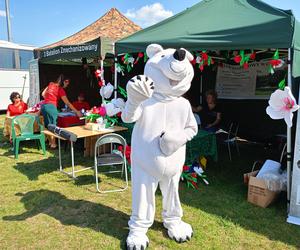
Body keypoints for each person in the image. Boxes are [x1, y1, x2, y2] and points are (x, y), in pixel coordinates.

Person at [41, 74, 82, 148]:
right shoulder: (60, 89)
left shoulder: (51, 84)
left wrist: (49, 98)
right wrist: (77, 111)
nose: (67, 84)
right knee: (53, 126)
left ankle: (50, 142)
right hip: (51, 107)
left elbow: (43, 94)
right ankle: (53, 144)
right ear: (64, 81)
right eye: (66, 82)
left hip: (44, 106)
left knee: (48, 125)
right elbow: (67, 103)